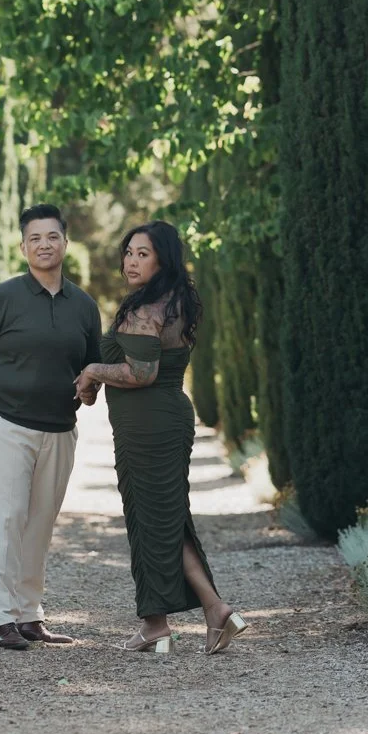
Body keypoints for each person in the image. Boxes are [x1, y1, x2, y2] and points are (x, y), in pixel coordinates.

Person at [74, 221, 247, 655]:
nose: (131, 261)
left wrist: (94, 371)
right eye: (129, 252)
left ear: (163, 259)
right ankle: (163, 622)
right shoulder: (175, 302)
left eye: (143, 254)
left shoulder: (145, 310)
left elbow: (141, 372)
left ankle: (208, 611)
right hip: (164, 419)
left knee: (155, 521)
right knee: (163, 520)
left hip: (149, 425)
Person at [0, 203, 102, 650]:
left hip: (60, 430)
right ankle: (1, 619)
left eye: (52, 236)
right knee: (5, 520)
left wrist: (89, 390)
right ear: (24, 247)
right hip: (7, 424)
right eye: (35, 238)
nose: (44, 244)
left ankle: (29, 615)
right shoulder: (2, 297)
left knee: (40, 523)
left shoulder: (84, 306)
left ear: (65, 242)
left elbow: (90, 369)